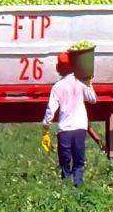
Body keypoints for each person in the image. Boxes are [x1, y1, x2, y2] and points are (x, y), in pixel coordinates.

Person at [41, 53, 97, 186]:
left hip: (65, 129)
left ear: (59, 67)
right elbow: (93, 99)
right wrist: (89, 82)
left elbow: (51, 109)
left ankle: (66, 186)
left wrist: (45, 126)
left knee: (65, 161)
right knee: (79, 161)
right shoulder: (81, 82)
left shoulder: (57, 87)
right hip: (80, 127)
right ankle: (78, 184)